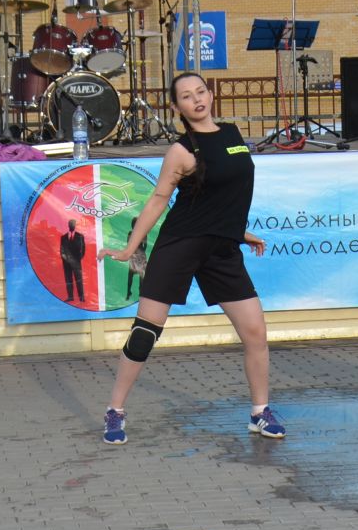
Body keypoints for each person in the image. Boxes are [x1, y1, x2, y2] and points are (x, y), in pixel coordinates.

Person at [106, 72, 280, 445]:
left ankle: (259, 413)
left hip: (221, 248)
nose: (197, 99)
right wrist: (129, 248)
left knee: (255, 333)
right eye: (186, 96)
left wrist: (240, 232)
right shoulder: (181, 151)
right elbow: (158, 201)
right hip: (181, 245)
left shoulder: (233, 135)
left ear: (210, 94)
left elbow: (226, 194)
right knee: (143, 335)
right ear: (177, 107)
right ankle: (115, 411)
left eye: (201, 91)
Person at [60, 219, 87, 302]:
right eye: (70, 224)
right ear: (68, 225)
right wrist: (66, 259)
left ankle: (81, 297)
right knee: (68, 280)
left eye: (73, 224)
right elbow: (62, 250)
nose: (72, 225)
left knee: (79, 279)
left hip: (76, 263)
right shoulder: (63, 237)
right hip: (66, 263)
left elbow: (83, 250)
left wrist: (77, 259)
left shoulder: (80, 236)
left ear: (75, 225)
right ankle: (70, 297)